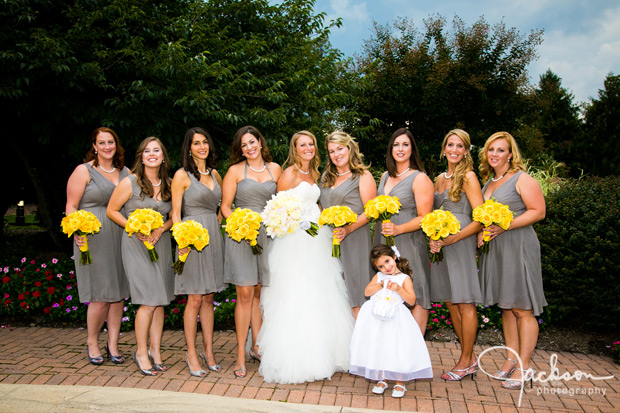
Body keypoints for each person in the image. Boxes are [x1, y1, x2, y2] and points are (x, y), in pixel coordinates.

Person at [257, 131, 354, 384]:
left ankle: (328, 355)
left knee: (322, 292)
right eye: (303, 145)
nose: (308, 148)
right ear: (295, 149)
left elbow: (317, 205)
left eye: (311, 144)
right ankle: (297, 359)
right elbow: (277, 208)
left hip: (318, 236)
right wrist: (299, 224)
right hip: (295, 240)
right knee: (296, 292)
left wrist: (325, 224)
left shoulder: (317, 174)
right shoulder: (289, 174)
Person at [477, 132, 547, 390]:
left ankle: (525, 366)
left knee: (522, 308)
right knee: (506, 307)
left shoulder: (522, 178)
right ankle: (510, 359)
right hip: (496, 248)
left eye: (500, 150)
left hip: (518, 246)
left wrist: (504, 226)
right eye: (491, 149)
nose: (494, 154)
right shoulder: (488, 183)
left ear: (510, 154)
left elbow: (538, 211)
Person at [107, 137, 174, 376]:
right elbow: (112, 210)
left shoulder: (169, 183)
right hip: (136, 244)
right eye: (147, 151)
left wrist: (161, 229)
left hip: (161, 243)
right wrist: (134, 227)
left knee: (160, 299)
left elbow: (174, 217)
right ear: (141, 156)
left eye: (157, 150)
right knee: (148, 300)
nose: (152, 154)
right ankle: (141, 352)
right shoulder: (130, 182)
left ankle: (156, 351)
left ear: (163, 156)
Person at [221, 126, 282, 378]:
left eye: (252, 142)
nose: (249, 147)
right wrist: (240, 226)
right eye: (244, 145)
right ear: (240, 149)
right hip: (241, 237)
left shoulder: (275, 169)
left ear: (260, 142)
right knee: (245, 293)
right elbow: (225, 207)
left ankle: (257, 347)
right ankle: (239, 356)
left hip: (267, 237)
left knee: (259, 292)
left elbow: (281, 203)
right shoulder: (235, 171)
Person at [65, 127, 130, 366]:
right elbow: (71, 206)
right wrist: (76, 232)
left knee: (119, 293)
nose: (106, 147)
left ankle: (113, 344)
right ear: (94, 145)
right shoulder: (84, 171)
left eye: (110, 142)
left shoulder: (125, 172)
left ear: (116, 144)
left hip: (122, 236)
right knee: (101, 294)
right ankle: (92, 342)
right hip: (93, 237)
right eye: (101, 143)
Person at [429, 129, 484, 381]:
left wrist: (454, 238)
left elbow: (480, 218)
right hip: (442, 246)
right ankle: (469, 357)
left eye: (459, 146)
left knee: (464, 300)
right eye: (450, 144)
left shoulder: (469, 177)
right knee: (451, 301)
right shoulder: (438, 179)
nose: (454, 149)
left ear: (466, 151)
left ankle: (464, 361)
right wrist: (434, 237)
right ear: (444, 148)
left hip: (460, 243)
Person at [171, 127, 226, 377]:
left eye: (205, 142)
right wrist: (181, 239)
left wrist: (217, 226)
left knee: (208, 297)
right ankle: (191, 353)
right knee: (194, 298)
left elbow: (222, 206)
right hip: (191, 240)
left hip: (213, 237)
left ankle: (209, 351)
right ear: (189, 148)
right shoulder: (182, 175)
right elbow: (174, 213)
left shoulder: (215, 173)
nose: (201, 147)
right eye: (196, 143)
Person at [350, 244, 433, 398]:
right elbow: (367, 292)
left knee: (396, 347)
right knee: (380, 346)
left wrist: (399, 290)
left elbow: (412, 300)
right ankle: (382, 378)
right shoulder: (379, 277)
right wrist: (381, 284)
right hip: (377, 318)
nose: (386, 267)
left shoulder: (404, 279)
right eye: (381, 266)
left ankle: (400, 382)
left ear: (394, 257)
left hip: (396, 319)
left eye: (387, 261)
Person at [374, 128, 434, 333]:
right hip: (384, 241)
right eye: (396, 144)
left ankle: (414, 350)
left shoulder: (420, 178)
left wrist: (399, 229)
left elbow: (426, 217)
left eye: (405, 144)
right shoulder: (384, 177)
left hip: (409, 240)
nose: (400, 149)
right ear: (390, 149)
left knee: (413, 290)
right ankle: (395, 347)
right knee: (388, 289)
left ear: (412, 149)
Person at [319, 131, 376, 318]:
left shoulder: (362, 176)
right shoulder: (326, 176)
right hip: (329, 239)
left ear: (349, 148)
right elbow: (321, 207)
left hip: (354, 238)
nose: (336, 154)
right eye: (331, 151)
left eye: (340, 149)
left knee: (355, 290)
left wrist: (348, 229)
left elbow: (370, 211)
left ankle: (360, 344)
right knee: (334, 292)